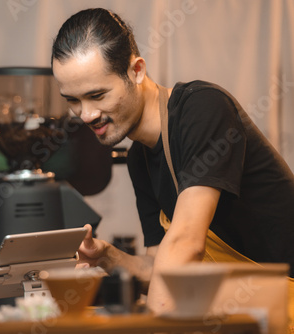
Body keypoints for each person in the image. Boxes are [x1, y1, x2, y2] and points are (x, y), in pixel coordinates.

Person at [51, 7, 294, 327]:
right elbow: (159, 269)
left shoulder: (202, 108)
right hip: (246, 307)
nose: (85, 114)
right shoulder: (140, 159)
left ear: (136, 70)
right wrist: (108, 257)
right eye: (73, 100)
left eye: (97, 95)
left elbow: (186, 244)